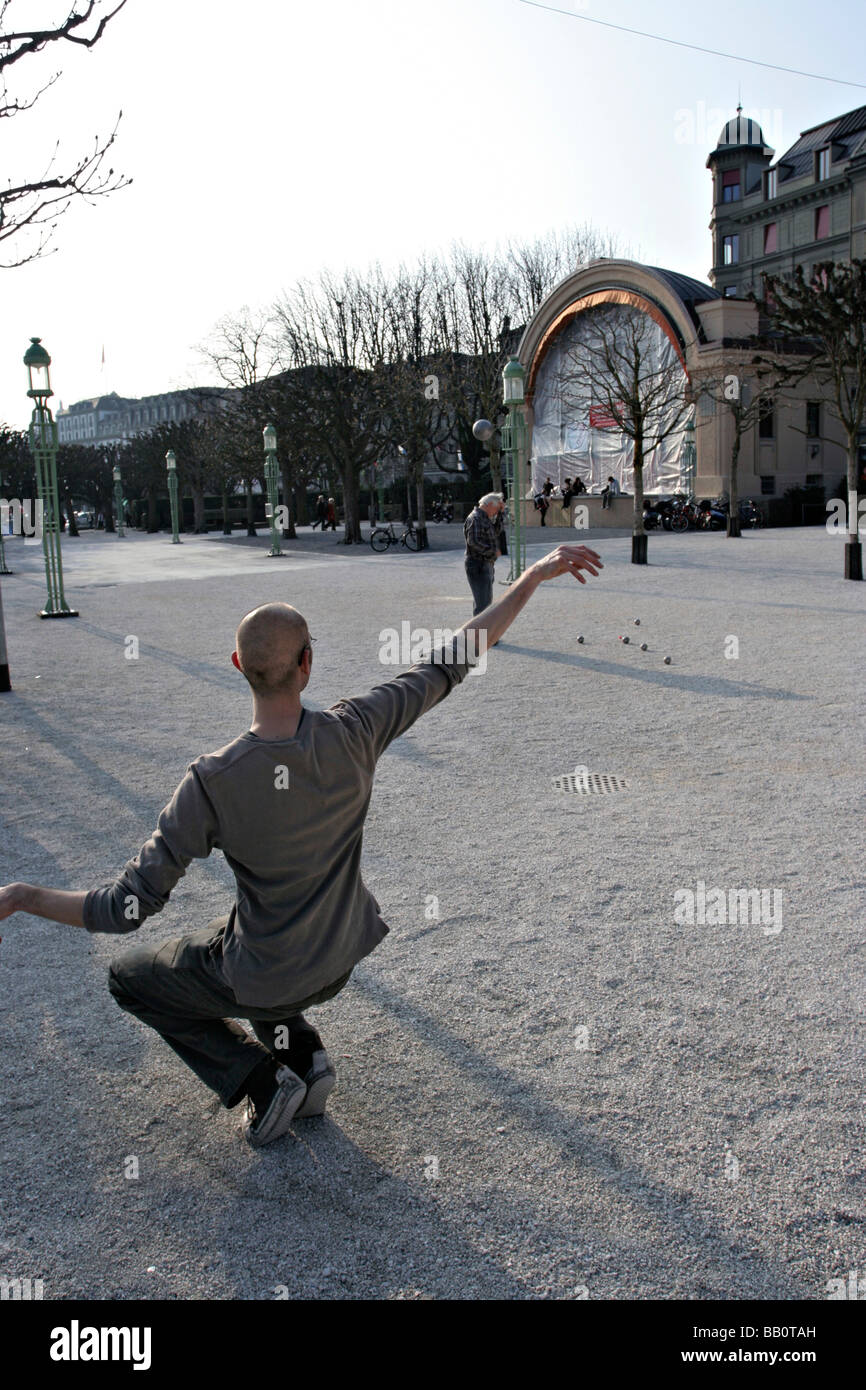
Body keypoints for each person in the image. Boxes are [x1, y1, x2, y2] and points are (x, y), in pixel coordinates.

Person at [0, 547, 603, 1147]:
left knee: (132, 977)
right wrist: (531, 576)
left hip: (273, 969)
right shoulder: (358, 729)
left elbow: (124, 910)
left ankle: (261, 1081)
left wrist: (24, 894)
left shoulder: (211, 781)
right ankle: (304, 1055)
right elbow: (459, 654)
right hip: (341, 957)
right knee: (232, 934)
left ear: (238, 665)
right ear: (308, 663)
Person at [463, 492, 504, 615]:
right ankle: (478, 633)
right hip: (478, 564)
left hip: (484, 563)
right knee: (482, 606)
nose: (496, 512)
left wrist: (500, 513)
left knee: (484, 602)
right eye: (496, 509)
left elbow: (496, 531)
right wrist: (492, 551)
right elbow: (473, 542)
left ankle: (481, 632)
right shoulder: (476, 518)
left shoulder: (484, 517)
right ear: (490, 504)